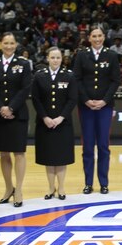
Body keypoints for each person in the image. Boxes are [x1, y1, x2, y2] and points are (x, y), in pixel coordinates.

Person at [0, 31, 32, 207]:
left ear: (16, 45)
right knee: (4, 153)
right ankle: (8, 188)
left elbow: (25, 88)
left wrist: (11, 108)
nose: (8, 46)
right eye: (5, 43)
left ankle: (19, 189)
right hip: (0, 115)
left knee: (19, 153)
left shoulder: (23, 64)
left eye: (12, 43)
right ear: (1, 44)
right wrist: (1, 108)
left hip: (18, 115)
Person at [74, 26, 119, 194]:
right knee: (87, 146)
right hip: (86, 107)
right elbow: (77, 79)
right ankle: (88, 183)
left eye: (100, 36)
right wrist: (86, 100)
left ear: (104, 37)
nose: (97, 39)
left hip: (105, 107)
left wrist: (104, 101)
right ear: (89, 38)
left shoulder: (112, 55)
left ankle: (104, 183)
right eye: (94, 36)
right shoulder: (81, 55)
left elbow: (116, 81)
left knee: (103, 146)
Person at [32, 46, 78, 199]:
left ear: (62, 59)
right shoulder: (39, 76)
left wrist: (60, 118)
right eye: (52, 57)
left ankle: (62, 188)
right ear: (47, 59)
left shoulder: (69, 76)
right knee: (49, 157)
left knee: (61, 157)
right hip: (45, 123)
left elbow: (72, 99)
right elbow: (36, 99)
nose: (55, 60)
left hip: (62, 123)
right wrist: (45, 117)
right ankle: (50, 188)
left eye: (58, 57)